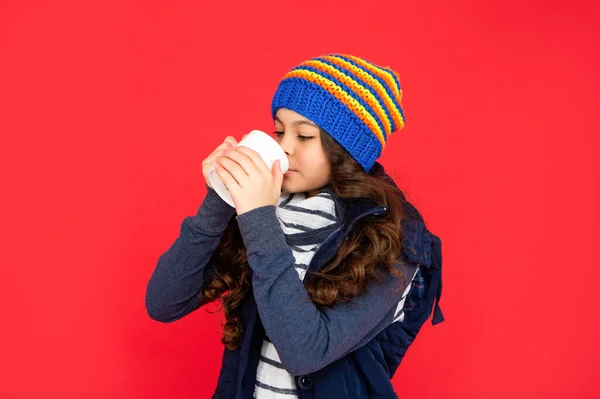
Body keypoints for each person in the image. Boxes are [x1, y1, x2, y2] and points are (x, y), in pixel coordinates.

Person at [145, 53, 444, 399]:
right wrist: (220, 198)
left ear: (345, 150)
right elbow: (163, 303)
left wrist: (258, 218)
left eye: (304, 136)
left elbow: (305, 353)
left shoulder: (391, 240)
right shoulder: (262, 215)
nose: (283, 146)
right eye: (279, 130)